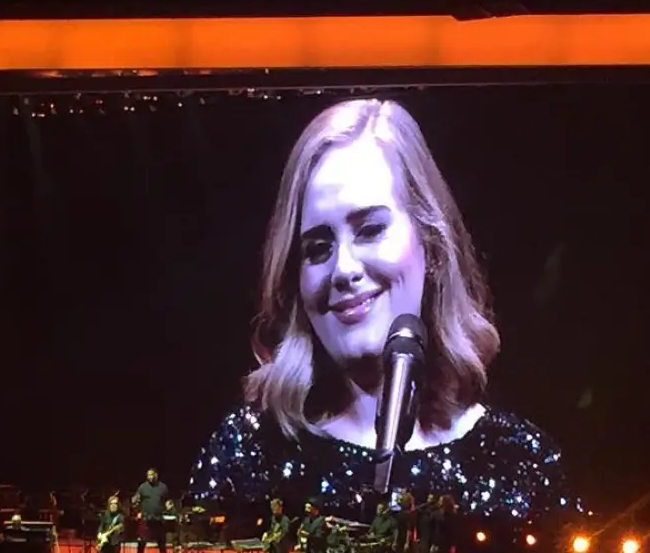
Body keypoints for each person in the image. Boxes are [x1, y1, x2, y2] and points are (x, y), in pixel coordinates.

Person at [186, 99, 582, 541]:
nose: (343, 269)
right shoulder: (248, 454)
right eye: (317, 248)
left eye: (370, 229)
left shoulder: (520, 465)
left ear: (431, 244)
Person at [136, 468, 170, 553]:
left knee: (162, 544)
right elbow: (137, 501)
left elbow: (167, 501)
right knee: (141, 543)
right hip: (146, 519)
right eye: (148, 475)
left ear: (156, 475)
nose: (150, 477)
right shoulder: (142, 487)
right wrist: (138, 511)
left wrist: (168, 508)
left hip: (159, 519)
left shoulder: (163, 487)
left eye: (151, 475)